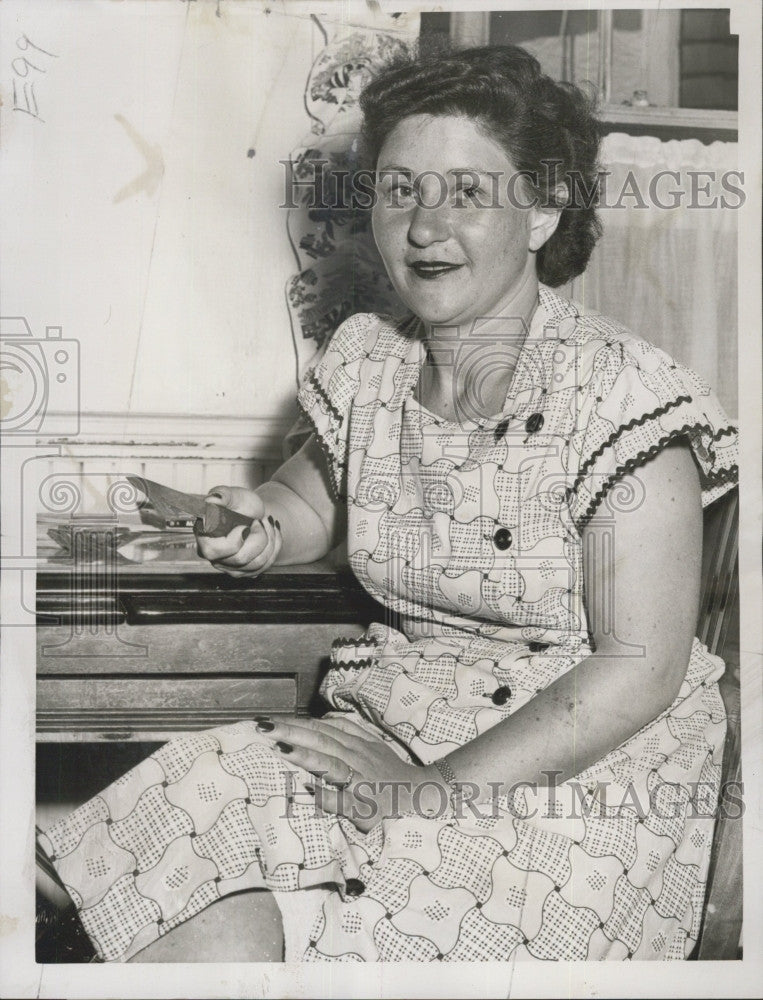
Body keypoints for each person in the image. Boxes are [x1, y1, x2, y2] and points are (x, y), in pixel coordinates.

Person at [38, 44, 738, 963]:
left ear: (542, 211)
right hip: (403, 716)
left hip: (576, 779)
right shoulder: (370, 358)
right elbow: (314, 498)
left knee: (260, 906)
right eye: (400, 189)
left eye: (466, 193)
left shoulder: (624, 396)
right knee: (185, 799)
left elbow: (635, 672)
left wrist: (431, 789)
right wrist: (258, 526)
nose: (424, 225)